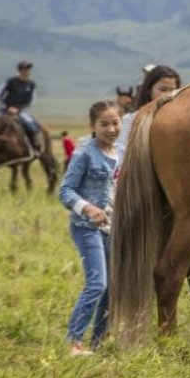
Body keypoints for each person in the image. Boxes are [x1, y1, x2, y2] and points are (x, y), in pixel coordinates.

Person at [117, 65, 190, 308]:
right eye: (163, 89)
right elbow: (119, 162)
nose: (169, 94)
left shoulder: (182, 125)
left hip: (173, 203)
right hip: (144, 200)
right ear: (149, 90)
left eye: (174, 89)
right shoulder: (131, 121)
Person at [59, 100, 122, 356]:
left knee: (111, 285)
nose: (110, 129)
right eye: (103, 124)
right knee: (97, 283)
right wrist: (87, 208)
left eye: (115, 123)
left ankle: (98, 340)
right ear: (92, 126)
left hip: (112, 228)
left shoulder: (123, 153)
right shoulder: (84, 153)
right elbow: (65, 191)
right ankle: (74, 343)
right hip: (86, 227)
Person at [0, 60, 42, 154]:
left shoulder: (31, 85)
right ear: (19, 70)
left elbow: (31, 101)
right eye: (24, 69)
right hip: (4, 110)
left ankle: (34, 148)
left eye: (28, 69)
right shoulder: (10, 81)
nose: (27, 72)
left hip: (20, 110)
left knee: (32, 125)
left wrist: (18, 109)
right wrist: (7, 107)